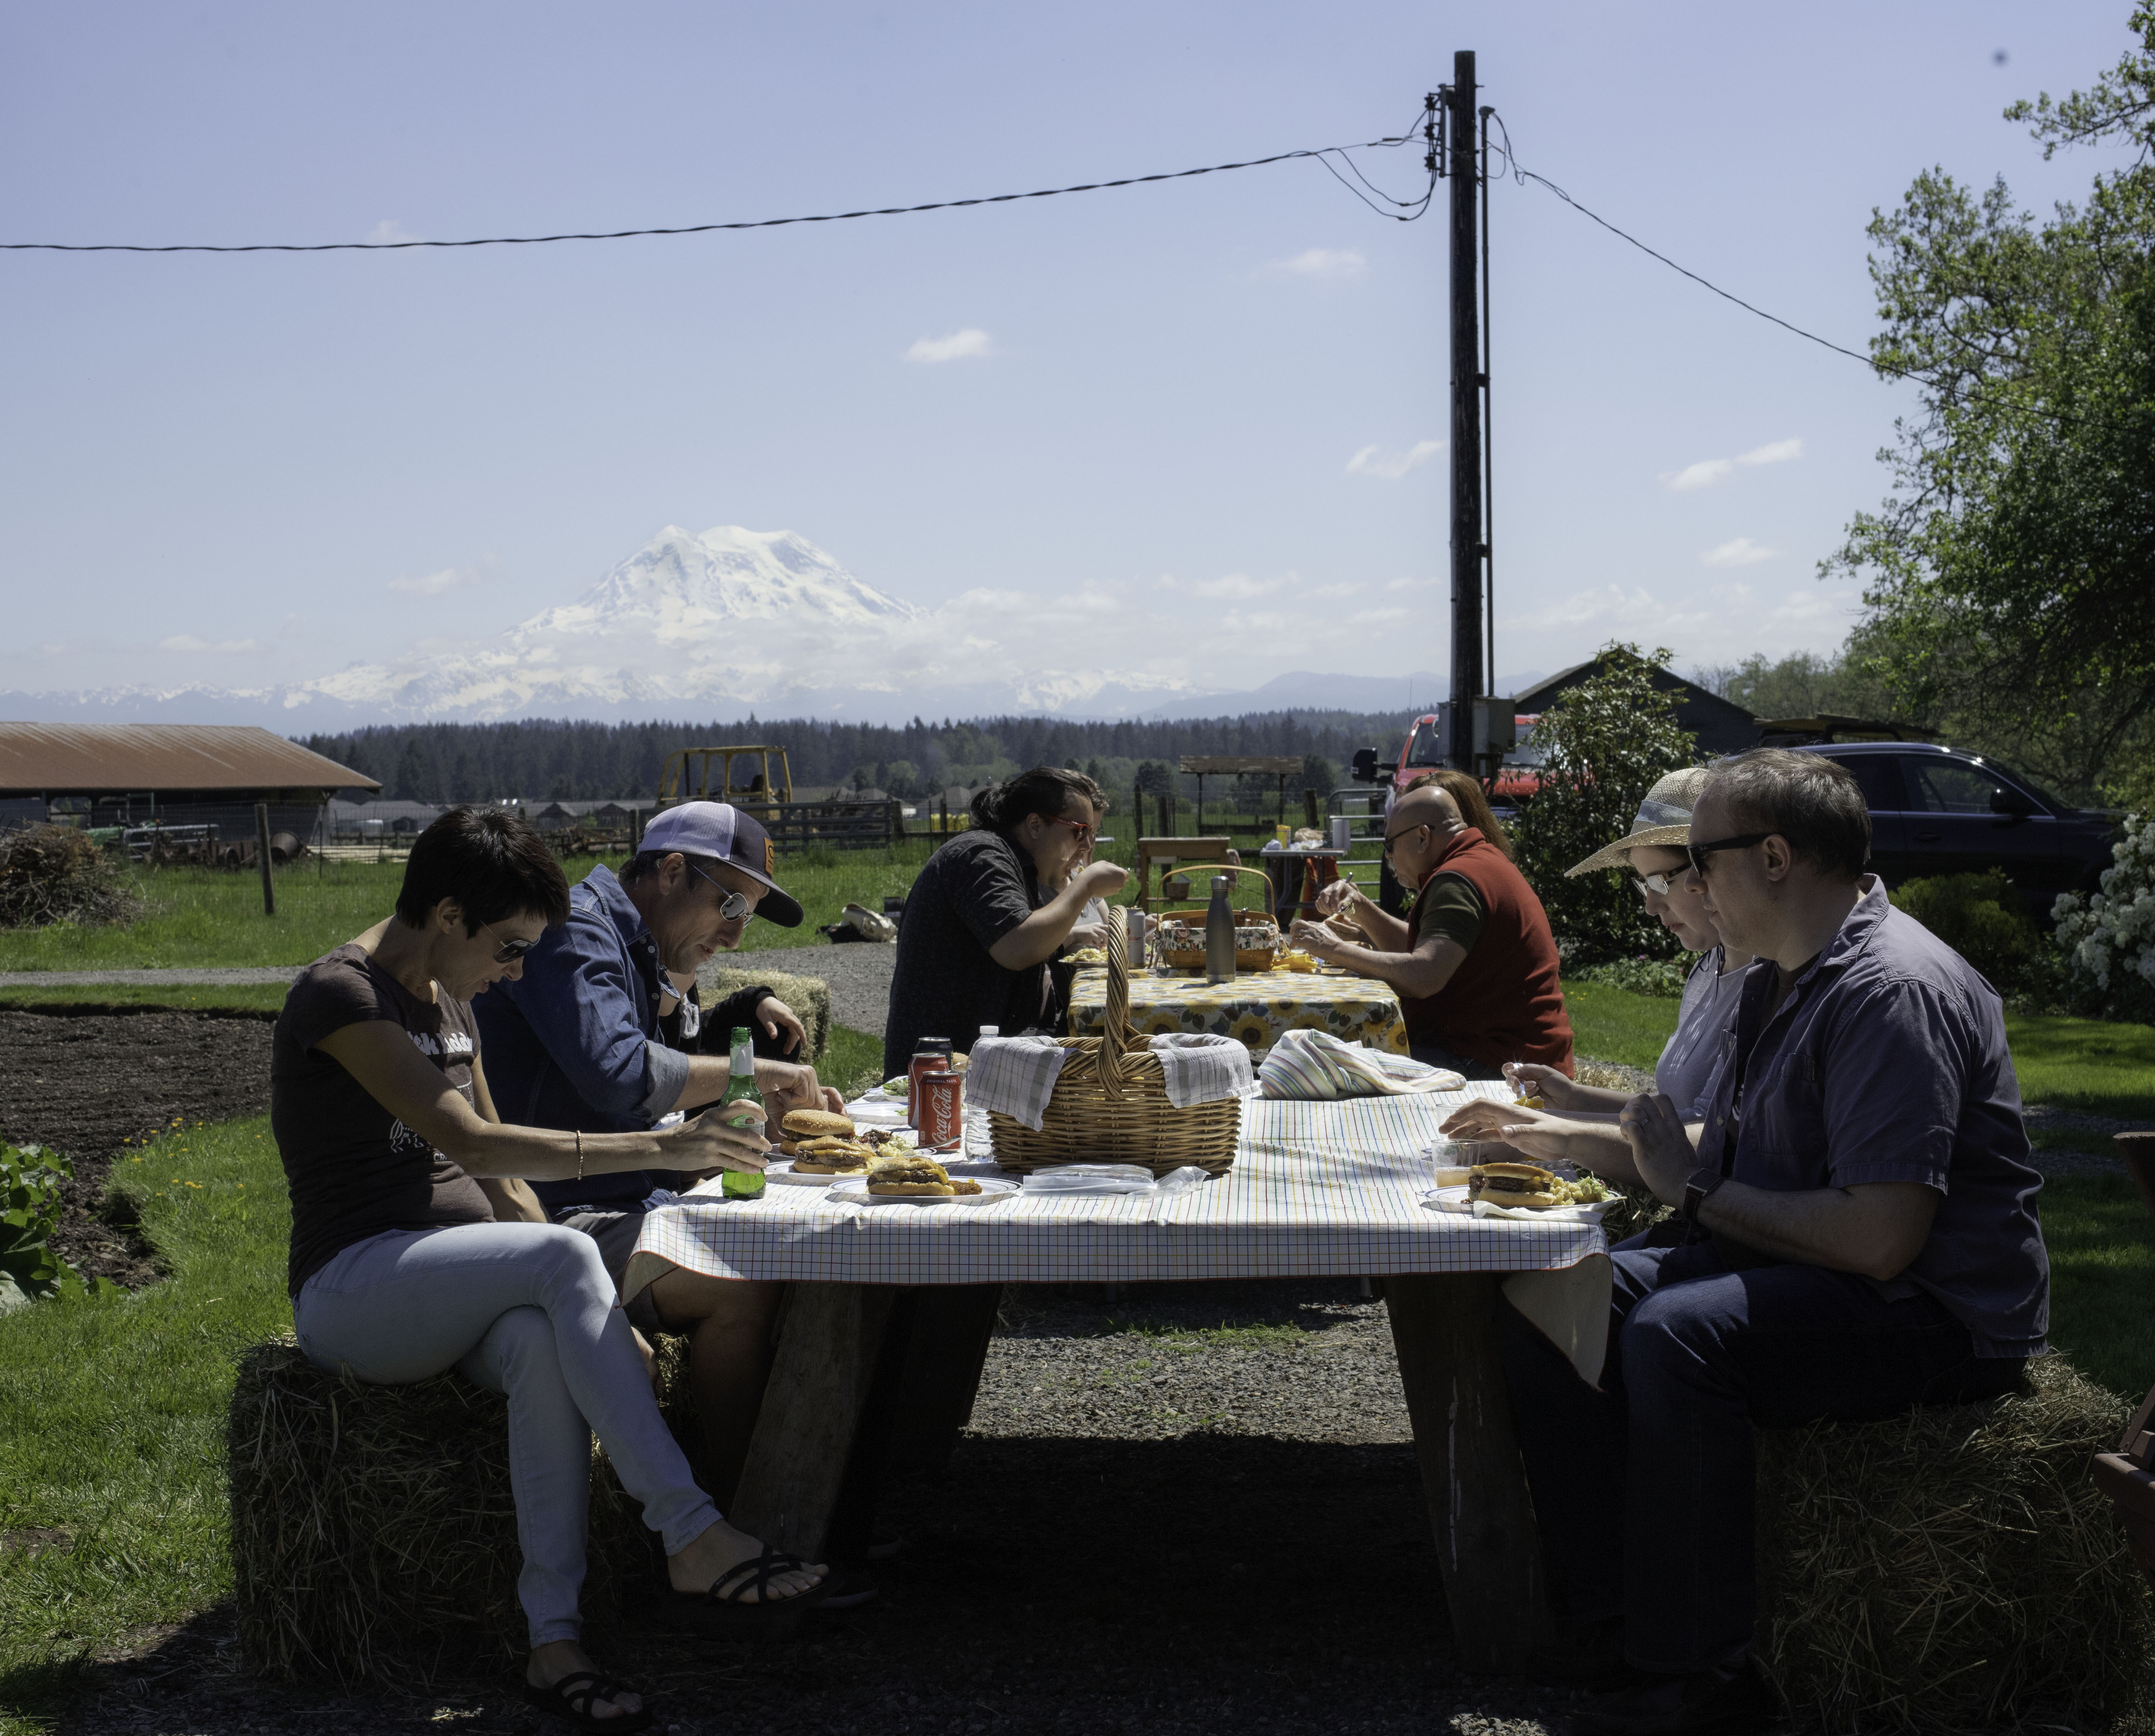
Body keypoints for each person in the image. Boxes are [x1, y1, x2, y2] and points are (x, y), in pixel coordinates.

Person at [1500, 749, 2050, 1736]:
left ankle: (1702, 1680)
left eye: (1695, 859)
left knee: (1678, 1335)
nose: (1688, 885)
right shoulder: (1777, 979)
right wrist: (1641, 1145)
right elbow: (1751, 1153)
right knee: (1560, 1289)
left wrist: (1693, 1185)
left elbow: (1881, 1239)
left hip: (1935, 1308)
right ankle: (1615, 1615)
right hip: (1825, 1262)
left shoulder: (1890, 992)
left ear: (1771, 856)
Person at [274, 808, 825, 1733]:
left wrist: (597, 1332)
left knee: (542, 1339)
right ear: (447, 914)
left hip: (451, 1283)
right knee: (567, 1256)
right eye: (509, 947)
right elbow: (475, 1143)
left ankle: (554, 1638)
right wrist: (665, 1143)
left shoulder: (452, 996)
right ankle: (689, 1530)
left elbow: (510, 1194)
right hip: (354, 1290)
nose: (517, 972)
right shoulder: (343, 996)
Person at [472, 801, 843, 1510]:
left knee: (802, 1249)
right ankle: (748, 1511)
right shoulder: (574, 931)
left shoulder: (641, 946)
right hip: (552, 1213)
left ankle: (815, 1487)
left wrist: (738, 1030)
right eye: (729, 902)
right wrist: (761, 1075)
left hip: (622, 1195)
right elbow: (615, 1072)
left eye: (748, 913)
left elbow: (659, 1090)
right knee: (736, 1286)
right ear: (671, 870)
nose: (735, 932)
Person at [1438, 767, 1755, 1169]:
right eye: (1644, 885)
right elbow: (1671, 1115)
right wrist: (1573, 1098)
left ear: (1708, 872)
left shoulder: (1769, 987)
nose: (1650, 907)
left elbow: (1705, 1139)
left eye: (1659, 883)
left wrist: (1552, 1131)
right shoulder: (1709, 968)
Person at [1288, 773, 1572, 1078]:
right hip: (1515, 1055)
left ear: (1423, 837)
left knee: (1329, 1058)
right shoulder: (1476, 862)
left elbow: (1423, 976)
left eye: (1390, 845)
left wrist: (1332, 949)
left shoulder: (1457, 881)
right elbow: (1417, 948)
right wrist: (1355, 907)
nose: (1389, 856)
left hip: (1497, 1063)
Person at [883, 767, 1129, 1078]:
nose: (1087, 845)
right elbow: (1018, 947)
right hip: (936, 1078)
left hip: (969, 1063)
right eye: (1079, 830)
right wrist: (1087, 883)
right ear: (1035, 825)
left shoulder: (1015, 864)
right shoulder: (981, 856)